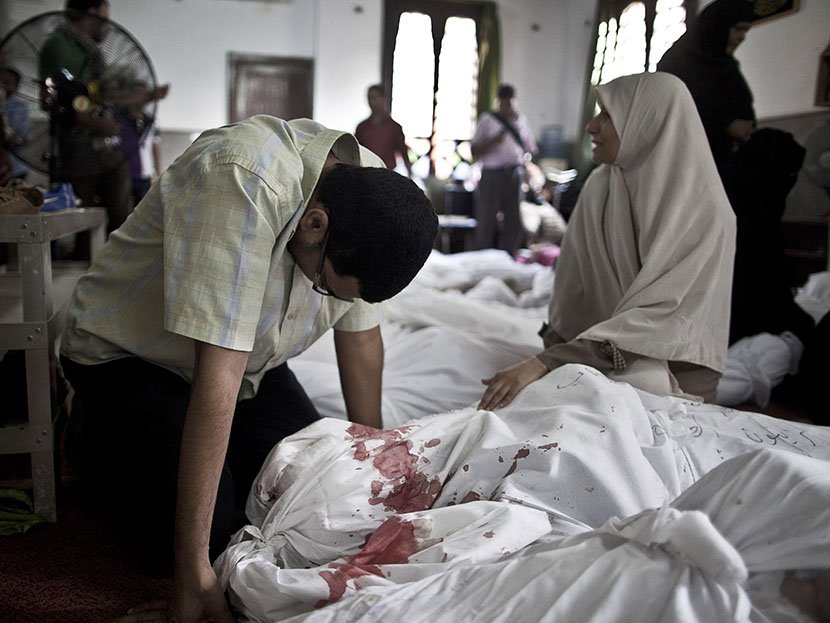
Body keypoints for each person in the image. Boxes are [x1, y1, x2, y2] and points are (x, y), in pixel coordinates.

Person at [60, 114, 438, 623]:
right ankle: (86, 432)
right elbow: (217, 372)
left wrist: (367, 467)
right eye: (325, 285)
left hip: (253, 366)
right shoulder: (241, 176)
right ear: (314, 224)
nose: (324, 297)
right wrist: (191, 573)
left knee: (315, 495)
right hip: (131, 359)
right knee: (200, 539)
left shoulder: (372, 194)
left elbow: (361, 339)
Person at [478, 72, 736, 411]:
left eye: (607, 115)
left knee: (644, 393)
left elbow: (661, 323)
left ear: (647, 122)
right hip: (597, 354)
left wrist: (547, 364)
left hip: (674, 363)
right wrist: (553, 358)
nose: (591, 127)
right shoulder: (603, 185)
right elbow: (573, 286)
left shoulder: (704, 212)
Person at [723, 128, 814, 345]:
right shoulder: (744, 207)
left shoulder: (742, 184)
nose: (790, 182)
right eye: (789, 174)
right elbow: (760, 275)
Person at [657, 0, 756, 172]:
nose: (742, 37)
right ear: (718, 25)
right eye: (738, 29)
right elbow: (671, 113)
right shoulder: (676, 63)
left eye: (746, 30)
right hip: (681, 166)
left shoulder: (728, 67)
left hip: (722, 167)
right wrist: (726, 125)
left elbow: (744, 109)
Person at [470, 83, 537, 256]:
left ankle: (509, 255)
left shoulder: (520, 120)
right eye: (503, 103)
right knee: (486, 219)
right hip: (492, 174)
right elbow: (474, 149)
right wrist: (494, 140)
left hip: (513, 174)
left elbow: (529, 148)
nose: (507, 106)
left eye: (510, 103)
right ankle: (483, 257)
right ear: (498, 102)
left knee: (513, 218)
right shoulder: (488, 120)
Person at [354, 84, 412, 175]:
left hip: (388, 173)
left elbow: (403, 152)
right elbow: (355, 152)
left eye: (375, 97)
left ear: (383, 99)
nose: (372, 101)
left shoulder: (394, 127)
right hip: (366, 173)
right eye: (369, 98)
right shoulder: (362, 127)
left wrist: (410, 174)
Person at [1, 66, 30, 185]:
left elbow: (19, 137)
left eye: (7, 83)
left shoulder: (19, 107)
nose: (3, 86)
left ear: (17, 86)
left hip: (16, 167)